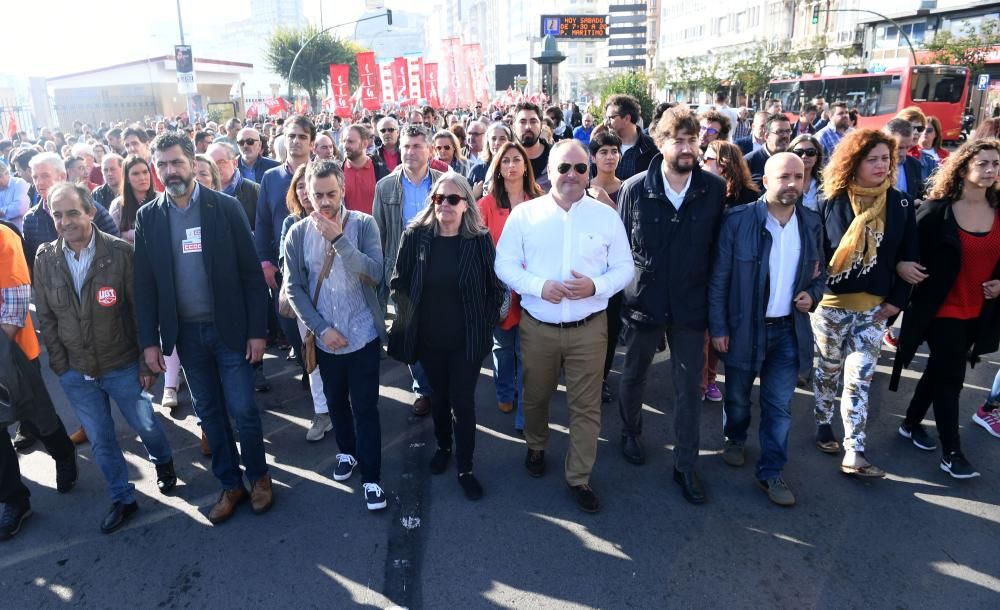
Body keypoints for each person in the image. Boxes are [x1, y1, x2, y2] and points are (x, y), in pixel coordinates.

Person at [133, 132, 271, 525]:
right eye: (162, 165)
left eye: (175, 162)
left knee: (243, 409)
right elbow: (143, 285)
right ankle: (231, 484)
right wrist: (149, 342)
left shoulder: (224, 207)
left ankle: (259, 478)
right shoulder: (149, 217)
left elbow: (250, 274)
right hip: (187, 337)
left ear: (193, 163)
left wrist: (257, 331)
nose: (168, 171)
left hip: (230, 330)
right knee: (209, 413)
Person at [495, 139, 632, 513]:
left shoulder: (605, 216)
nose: (572, 175)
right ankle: (537, 446)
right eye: (564, 168)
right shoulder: (526, 214)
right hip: (538, 326)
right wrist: (539, 286)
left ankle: (579, 477)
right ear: (548, 172)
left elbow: (624, 268)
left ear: (589, 171)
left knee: (586, 407)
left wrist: (595, 286)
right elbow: (503, 264)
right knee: (536, 397)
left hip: (589, 328)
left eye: (580, 168)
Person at [33, 182, 177, 533]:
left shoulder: (120, 253)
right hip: (76, 371)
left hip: (122, 364)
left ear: (91, 212)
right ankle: (122, 497)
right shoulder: (45, 258)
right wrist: (60, 364)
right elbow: (47, 318)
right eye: (57, 215)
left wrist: (145, 362)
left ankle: (164, 462)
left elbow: (140, 312)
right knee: (101, 439)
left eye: (71, 213)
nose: (64, 222)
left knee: (145, 424)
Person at [616, 106, 727, 505]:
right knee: (634, 375)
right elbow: (622, 252)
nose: (686, 148)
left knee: (688, 387)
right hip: (644, 302)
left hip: (690, 306)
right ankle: (630, 433)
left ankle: (685, 463)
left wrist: (717, 313)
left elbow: (717, 253)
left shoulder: (713, 190)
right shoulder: (633, 189)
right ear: (660, 143)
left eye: (691, 139)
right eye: (677, 140)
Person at [709, 153, 827, 506]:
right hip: (744, 328)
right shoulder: (737, 221)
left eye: (799, 176)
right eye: (785, 176)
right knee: (738, 399)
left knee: (779, 406)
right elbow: (719, 280)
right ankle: (735, 437)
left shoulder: (811, 222)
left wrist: (814, 295)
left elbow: (822, 273)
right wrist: (719, 327)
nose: (793, 183)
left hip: (788, 331)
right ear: (766, 181)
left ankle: (771, 472)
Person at [812, 128, 919, 478]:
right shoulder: (831, 200)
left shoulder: (901, 204)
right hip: (830, 306)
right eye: (871, 159)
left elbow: (910, 259)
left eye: (885, 159)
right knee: (828, 370)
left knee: (859, 377)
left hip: (874, 310)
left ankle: (854, 450)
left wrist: (897, 303)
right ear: (853, 162)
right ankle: (823, 421)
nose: (880, 165)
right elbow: (816, 253)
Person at [890, 139, 1000, 479]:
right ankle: (952, 452)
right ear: (963, 167)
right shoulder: (938, 211)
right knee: (952, 378)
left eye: (996, 164)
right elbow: (903, 250)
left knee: (940, 369)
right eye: (983, 163)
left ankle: (909, 423)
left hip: (980, 312)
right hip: (941, 310)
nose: (991, 170)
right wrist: (901, 268)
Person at [284, 159, 390, 510]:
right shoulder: (297, 234)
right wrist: (321, 329)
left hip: (362, 336)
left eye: (331, 194)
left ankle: (372, 478)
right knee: (335, 402)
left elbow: (375, 273)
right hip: (326, 339)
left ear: (343, 190)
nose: (325, 201)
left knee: (365, 407)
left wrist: (340, 240)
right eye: (317, 195)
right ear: (307, 196)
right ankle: (347, 451)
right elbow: (294, 287)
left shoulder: (363, 224)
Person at [392, 173, 502, 501]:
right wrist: (407, 321)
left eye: (453, 199)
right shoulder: (416, 237)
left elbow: (494, 290)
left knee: (462, 402)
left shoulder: (478, 240)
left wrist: (484, 328)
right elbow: (399, 282)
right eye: (440, 199)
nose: (446, 205)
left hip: (467, 341)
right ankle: (443, 445)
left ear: (466, 204)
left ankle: (465, 467)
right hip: (429, 339)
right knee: (438, 398)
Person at [0, 221, 79, 541]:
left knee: (37, 415)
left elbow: (16, 301)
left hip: (12, 349)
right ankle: (15, 499)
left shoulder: (3, 236)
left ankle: (63, 455)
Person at [373, 125, 444, 416]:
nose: (410, 152)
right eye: (406, 146)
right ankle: (424, 390)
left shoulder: (445, 182)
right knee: (408, 331)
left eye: (417, 146)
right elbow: (378, 233)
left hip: (439, 267)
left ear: (429, 150)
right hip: (401, 269)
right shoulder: (385, 187)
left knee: (439, 329)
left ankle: (440, 388)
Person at [478, 141, 545, 431]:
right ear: (498, 167)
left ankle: (524, 416)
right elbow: (479, 248)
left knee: (526, 351)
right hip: (499, 290)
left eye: (517, 159)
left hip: (531, 289)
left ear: (525, 165)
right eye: (505, 161)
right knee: (503, 347)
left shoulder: (540, 200)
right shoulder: (487, 204)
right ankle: (505, 391)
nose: (511, 165)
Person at [257, 116, 315, 375]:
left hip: (319, 263)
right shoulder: (271, 177)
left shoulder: (325, 171)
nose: (296, 141)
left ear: (311, 143)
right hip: (285, 267)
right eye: (291, 136)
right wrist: (266, 262)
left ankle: (323, 377)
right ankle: (307, 367)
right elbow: (263, 222)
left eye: (302, 136)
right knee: (290, 323)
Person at [279, 165, 329, 440]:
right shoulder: (292, 225)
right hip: (306, 304)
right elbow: (286, 263)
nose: (305, 192)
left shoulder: (342, 219)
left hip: (339, 301)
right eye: (299, 186)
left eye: (306, 184)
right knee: (314, 360)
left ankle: (343, 407)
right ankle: (322, 412)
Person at [22, 153, 119, 269]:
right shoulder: (30, 219)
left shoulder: (88, 208)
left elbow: (115, 247)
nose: (39, 183)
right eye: (35, 177)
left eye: (45, 176)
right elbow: (34, 263)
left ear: (62, 177)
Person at [588, 128, 626, 403]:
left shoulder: (629, 188)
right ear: (593, 157)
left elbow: (631, 234)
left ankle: (601, 378)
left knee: (610, 329)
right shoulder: (582, 187)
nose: (610, 156)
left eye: (614, 151)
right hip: (586, 271)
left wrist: (609, 206)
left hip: (614, 273)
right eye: (603, 152)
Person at [604, 94, 657, 181]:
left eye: (611, 118)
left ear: (627, 118)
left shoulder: (652, 148)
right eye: (606, 118)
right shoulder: (602, 145)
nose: (606, 122)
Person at [208, 143, 258, 228]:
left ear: (234, 163)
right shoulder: (204, 193)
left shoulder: (255, 191)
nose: (216, 167)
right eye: (211, 163)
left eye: (221, 162)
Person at [342, 124, 388, 216]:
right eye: (344, 141)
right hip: (347, 229)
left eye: (350, 142)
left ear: (365, 144)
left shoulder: (379, 169)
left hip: (375, 228)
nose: (345, 146)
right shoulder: (338, 171)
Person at [702, 140, 760, 208]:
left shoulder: (749, 199)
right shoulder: (700, 191)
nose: (701, 163)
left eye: (706, 159)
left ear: (723, 164)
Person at [745, 113, 793, 189]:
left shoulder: (794, 160)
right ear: (767, 136)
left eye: (788, 131)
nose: (785, 136)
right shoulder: (749, 161)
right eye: (780, 132)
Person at [513, 103, 552, 192]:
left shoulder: (556, 156)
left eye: (533, 121)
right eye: (522, 122)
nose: (528, 127)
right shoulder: (504, 159)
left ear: (541, 125)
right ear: (514, 127)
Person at [468, 122, 512, 198]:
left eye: (502, 139)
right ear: (488, 142)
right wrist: (474, 196)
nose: (497, 143)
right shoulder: (477, 170)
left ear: (510, 141)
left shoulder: (515, 168)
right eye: (493, 138)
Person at [788, 135, 824, 211]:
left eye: (810, 152)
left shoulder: (826, 184)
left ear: (817, 156)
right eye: (798, 153)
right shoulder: (783, 183)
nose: (804, 156)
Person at [0, 162, 30, 232]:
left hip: (19, 232)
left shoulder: (19, 183)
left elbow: (20, 208)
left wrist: (2, 211)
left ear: (6, 173)